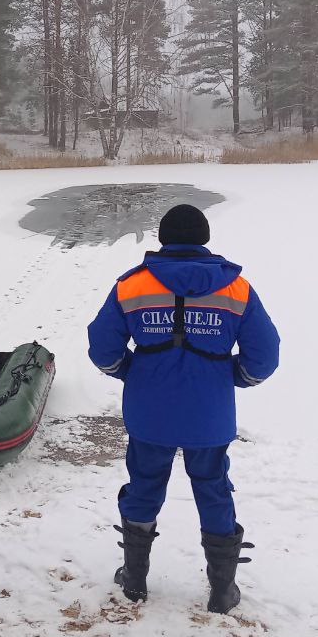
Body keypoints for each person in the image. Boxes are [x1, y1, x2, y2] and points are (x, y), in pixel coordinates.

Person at [87, 204, 280, 613]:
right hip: (209, 414)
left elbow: (103, 349)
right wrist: (233, 377)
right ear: (205, 238)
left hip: (149, 413)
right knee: (213, 489)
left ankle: (134, 580)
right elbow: (264, 356)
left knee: (143, 485)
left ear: (163, 239)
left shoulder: (131, 286)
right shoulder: (237, 289)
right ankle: (222, 590)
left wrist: (131, 372)